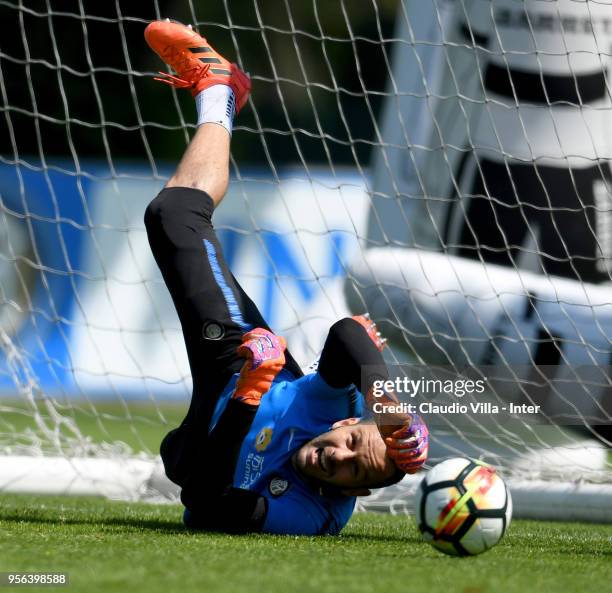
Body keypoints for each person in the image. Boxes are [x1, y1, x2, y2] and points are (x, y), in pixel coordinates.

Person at [143, 19, 429, 535]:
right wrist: (388, 406)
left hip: (233, 405)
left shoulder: (310, 515)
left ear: (358, 494)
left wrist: (249, 397)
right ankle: (218, 90)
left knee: (183, 464)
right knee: (171, 218)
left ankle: (222, 89)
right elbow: (348, 336)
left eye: (352, 472)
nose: (338, 458)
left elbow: (206, 508)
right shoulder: (333, 407)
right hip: (240, 358)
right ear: (346, 423)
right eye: (351, 445)